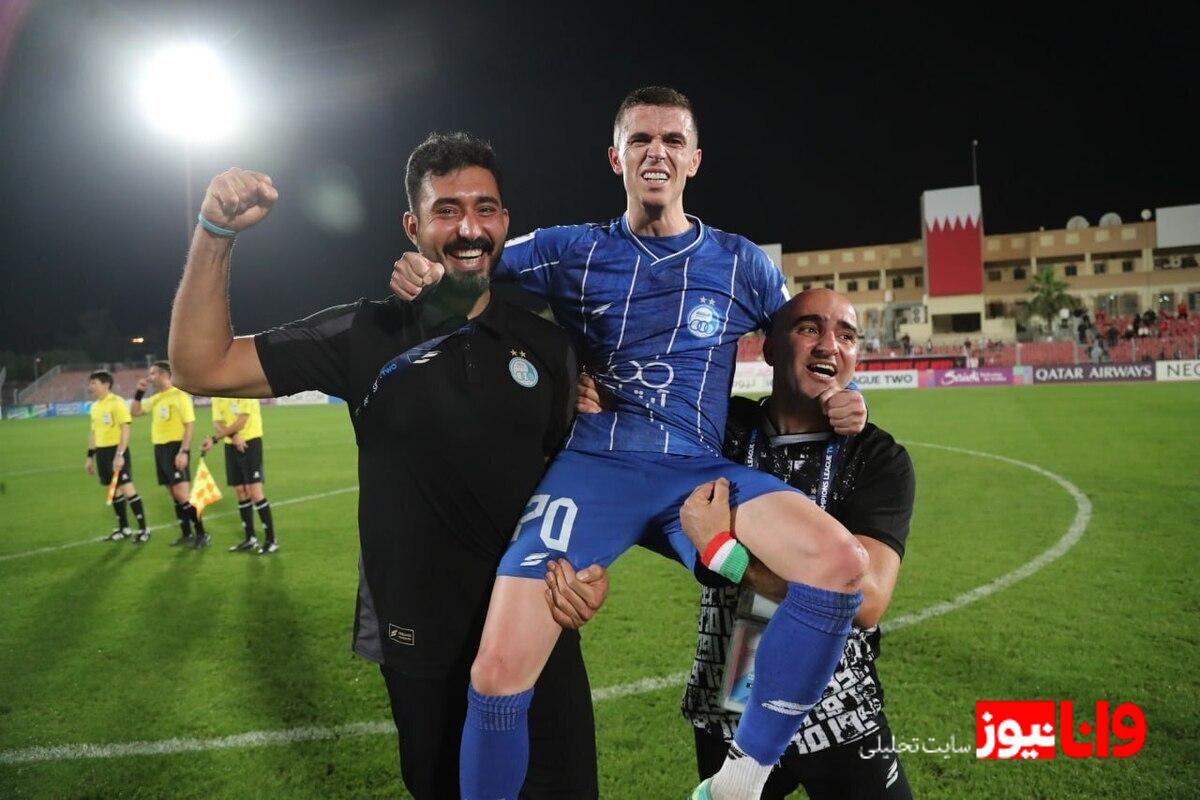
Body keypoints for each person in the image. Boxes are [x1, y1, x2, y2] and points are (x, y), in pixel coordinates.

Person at [391, 87, 868, 800]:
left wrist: (843, 394)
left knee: (841, 563)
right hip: (594, 469)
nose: (657, 152)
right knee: (496, 673)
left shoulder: (741, 264)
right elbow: (472, 264)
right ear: (615, 157)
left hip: (698, 474)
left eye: (673, 140)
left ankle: (741, 779)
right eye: (640, 139)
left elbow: (805, 343)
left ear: (695, 159)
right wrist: (428, 272)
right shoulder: (569, 250)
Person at [166, 134, 604, 799]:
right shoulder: (366, 334)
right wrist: (215, 232)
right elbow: (201, 365)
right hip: (420, 640)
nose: (469, 228)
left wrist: (590, 570)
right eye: (446, 210)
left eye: (484, 209)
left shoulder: (547, 344)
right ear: (413, 226)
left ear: (505, 221)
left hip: (537, 628)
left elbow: (572, 478)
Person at [678, 289, 915, 799]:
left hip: (837, 706)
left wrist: (728, 556)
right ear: (769, 348)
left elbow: (867, 601)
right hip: (729, 707)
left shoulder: (876, 457)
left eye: (847, 336)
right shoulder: (720, 430)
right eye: (809, 328)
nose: (830, 344)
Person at [130, 362, 207, 548]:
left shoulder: (180, 395)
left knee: (182, 495)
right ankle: (186, 534)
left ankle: (202, 534)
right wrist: (139, 392)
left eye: (152, 373)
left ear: (164, 374)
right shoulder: (157, 398)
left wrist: (184, 451)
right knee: (174, 494)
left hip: (176, 448)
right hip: (160, 449)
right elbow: (135, 411)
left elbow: (189, 425)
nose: (149, 377)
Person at [201, 396, 278, 554]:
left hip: (250, 442)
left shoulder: (243, 390)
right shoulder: (217, 395)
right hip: (231, 445)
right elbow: (217, 422)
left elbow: (242, 420)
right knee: (240, 491)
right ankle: (250, 539)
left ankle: (271, 540)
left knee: (255, 491)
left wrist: (215, 439)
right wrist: (234, 436)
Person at [85, 370, 149, 542]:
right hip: (102, 453)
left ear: (106, 384)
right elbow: (93, 433)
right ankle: (124, 529)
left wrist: (120, 454)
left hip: (117, 451)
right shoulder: (95, 407)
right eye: (90, 383)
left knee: (128, 489)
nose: (90, 386)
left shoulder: (117, 403)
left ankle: (144, 530)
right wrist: (90, 457)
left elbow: (125, 429)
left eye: (94, 383)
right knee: (113, 491)